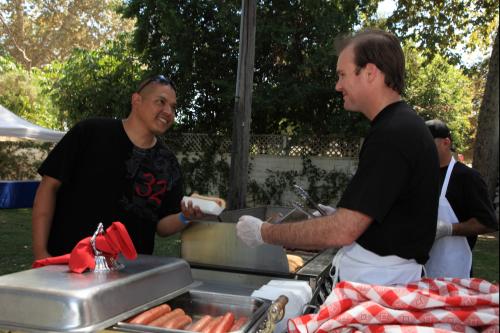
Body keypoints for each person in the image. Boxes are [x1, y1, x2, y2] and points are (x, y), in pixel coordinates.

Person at [236, 29, 441, 286]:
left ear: (370, 73)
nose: (338, 85)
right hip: (381, 279)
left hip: (379, 285)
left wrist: (264, 232)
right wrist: (337, 214)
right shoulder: (398, 126)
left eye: (342, 74)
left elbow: (343, 230)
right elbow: (384, 215)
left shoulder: (394, 133)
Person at [32, 75, 204, 260]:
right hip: (68, 265)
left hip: (129, 276)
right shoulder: (90, 133)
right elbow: (48, 187)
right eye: (161, 102)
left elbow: (161, 226)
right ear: (136, 100)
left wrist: (185, 216)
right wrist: (41, 252)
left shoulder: (168, 163)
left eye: (173, 107)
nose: (168, 112)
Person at [424, 119, 498, 278]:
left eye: (428, 144)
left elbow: (487, 223)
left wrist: (449, 229)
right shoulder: (421, 176)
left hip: (453, 272)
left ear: (446, 142)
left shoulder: (467, 177)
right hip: (418, 269)